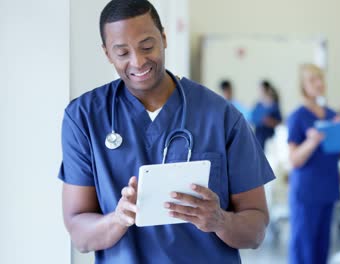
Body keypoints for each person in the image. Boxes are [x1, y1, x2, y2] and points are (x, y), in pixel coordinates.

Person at [58, 1, 275, 263]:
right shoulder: (84, 118)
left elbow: (256, 231)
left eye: (147, 46)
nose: (138, 61)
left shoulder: (221, 116)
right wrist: (118, 219)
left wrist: (220, 220)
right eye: (122, 52)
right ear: (107, 54)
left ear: (163, 38)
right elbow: (80, 237)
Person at [287, 64, 340, 264]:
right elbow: (294, 159)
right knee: (304, 249)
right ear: (302, 85)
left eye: (320, 78)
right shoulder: (298, 116)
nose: (319, 83)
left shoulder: (331, 115)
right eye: (312, 80)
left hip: (328, 189)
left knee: (322, 249)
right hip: (306, 193)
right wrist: (312, 141)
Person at [251, 80, 282, 149]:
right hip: (258, 136)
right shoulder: (258, 105)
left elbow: (280, 122)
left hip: (270, 137)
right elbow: (252, 119)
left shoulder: (274, 105)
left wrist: (271, 122)